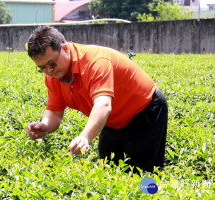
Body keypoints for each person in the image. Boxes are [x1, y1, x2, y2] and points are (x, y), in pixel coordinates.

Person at [26, 25, 168, 172]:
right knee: (109, 171)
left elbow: (103, 105)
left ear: (66, 49)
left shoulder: (95, 61)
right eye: (42, 68)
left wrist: (85, 137)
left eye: (52, 64)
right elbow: (55, 111)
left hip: (145, 111)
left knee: (143, 175)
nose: (49, 71)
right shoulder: (53, 76)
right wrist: (45, 125)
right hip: (112, 121)